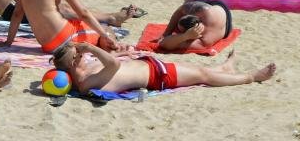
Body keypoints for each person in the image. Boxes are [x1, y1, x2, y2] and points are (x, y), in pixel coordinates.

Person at [53, 41, 275, 94]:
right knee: (202, 75)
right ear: (73, 62)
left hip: (151, 67)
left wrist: (122, 52)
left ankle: (224, 68)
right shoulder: (84, 82)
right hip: (157, 77)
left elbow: (110, 59)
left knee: (198, 69)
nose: (84, 54)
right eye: (79, 54)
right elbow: (112, 65)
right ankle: (251, 77)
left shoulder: (83, 68)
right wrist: (91, 46)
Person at [158, 0, 232, 51]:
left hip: (224, 22)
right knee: (191, 4)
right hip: (221, 13)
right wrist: (166, 33)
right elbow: (181, 10)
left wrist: (184, 36)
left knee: (192, 3)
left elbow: (163, 43)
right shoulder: (205, 10)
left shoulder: (203, 41)